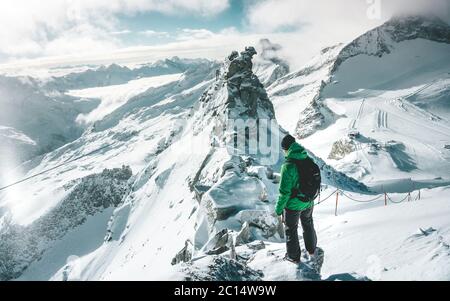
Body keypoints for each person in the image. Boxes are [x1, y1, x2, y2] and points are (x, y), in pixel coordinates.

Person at [275, 134, 318, 264]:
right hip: (308, 201)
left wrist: (278, 210)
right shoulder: (307, 158)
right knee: (308, 224)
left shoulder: (288, 166)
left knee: (291, 229)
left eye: (283, 149)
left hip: (293, 205)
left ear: (286, 149)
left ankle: (293, 257)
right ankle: (312, 250)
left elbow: (284, 192)